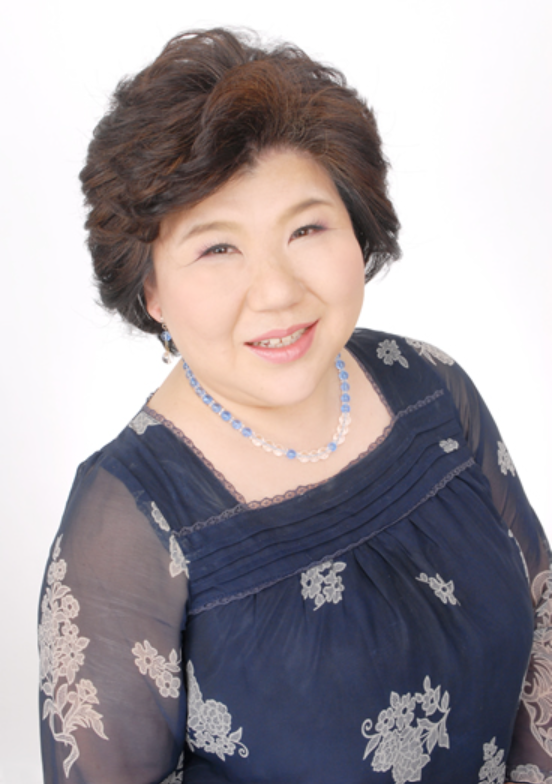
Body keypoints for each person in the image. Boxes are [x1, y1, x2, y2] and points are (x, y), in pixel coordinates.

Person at [38, 28, 551, 784]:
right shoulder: (127, 523)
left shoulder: (432, 388)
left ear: (358, 228)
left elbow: (542, 623)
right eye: (217, 248)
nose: (277, 291)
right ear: (150, 289)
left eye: (306, 228)